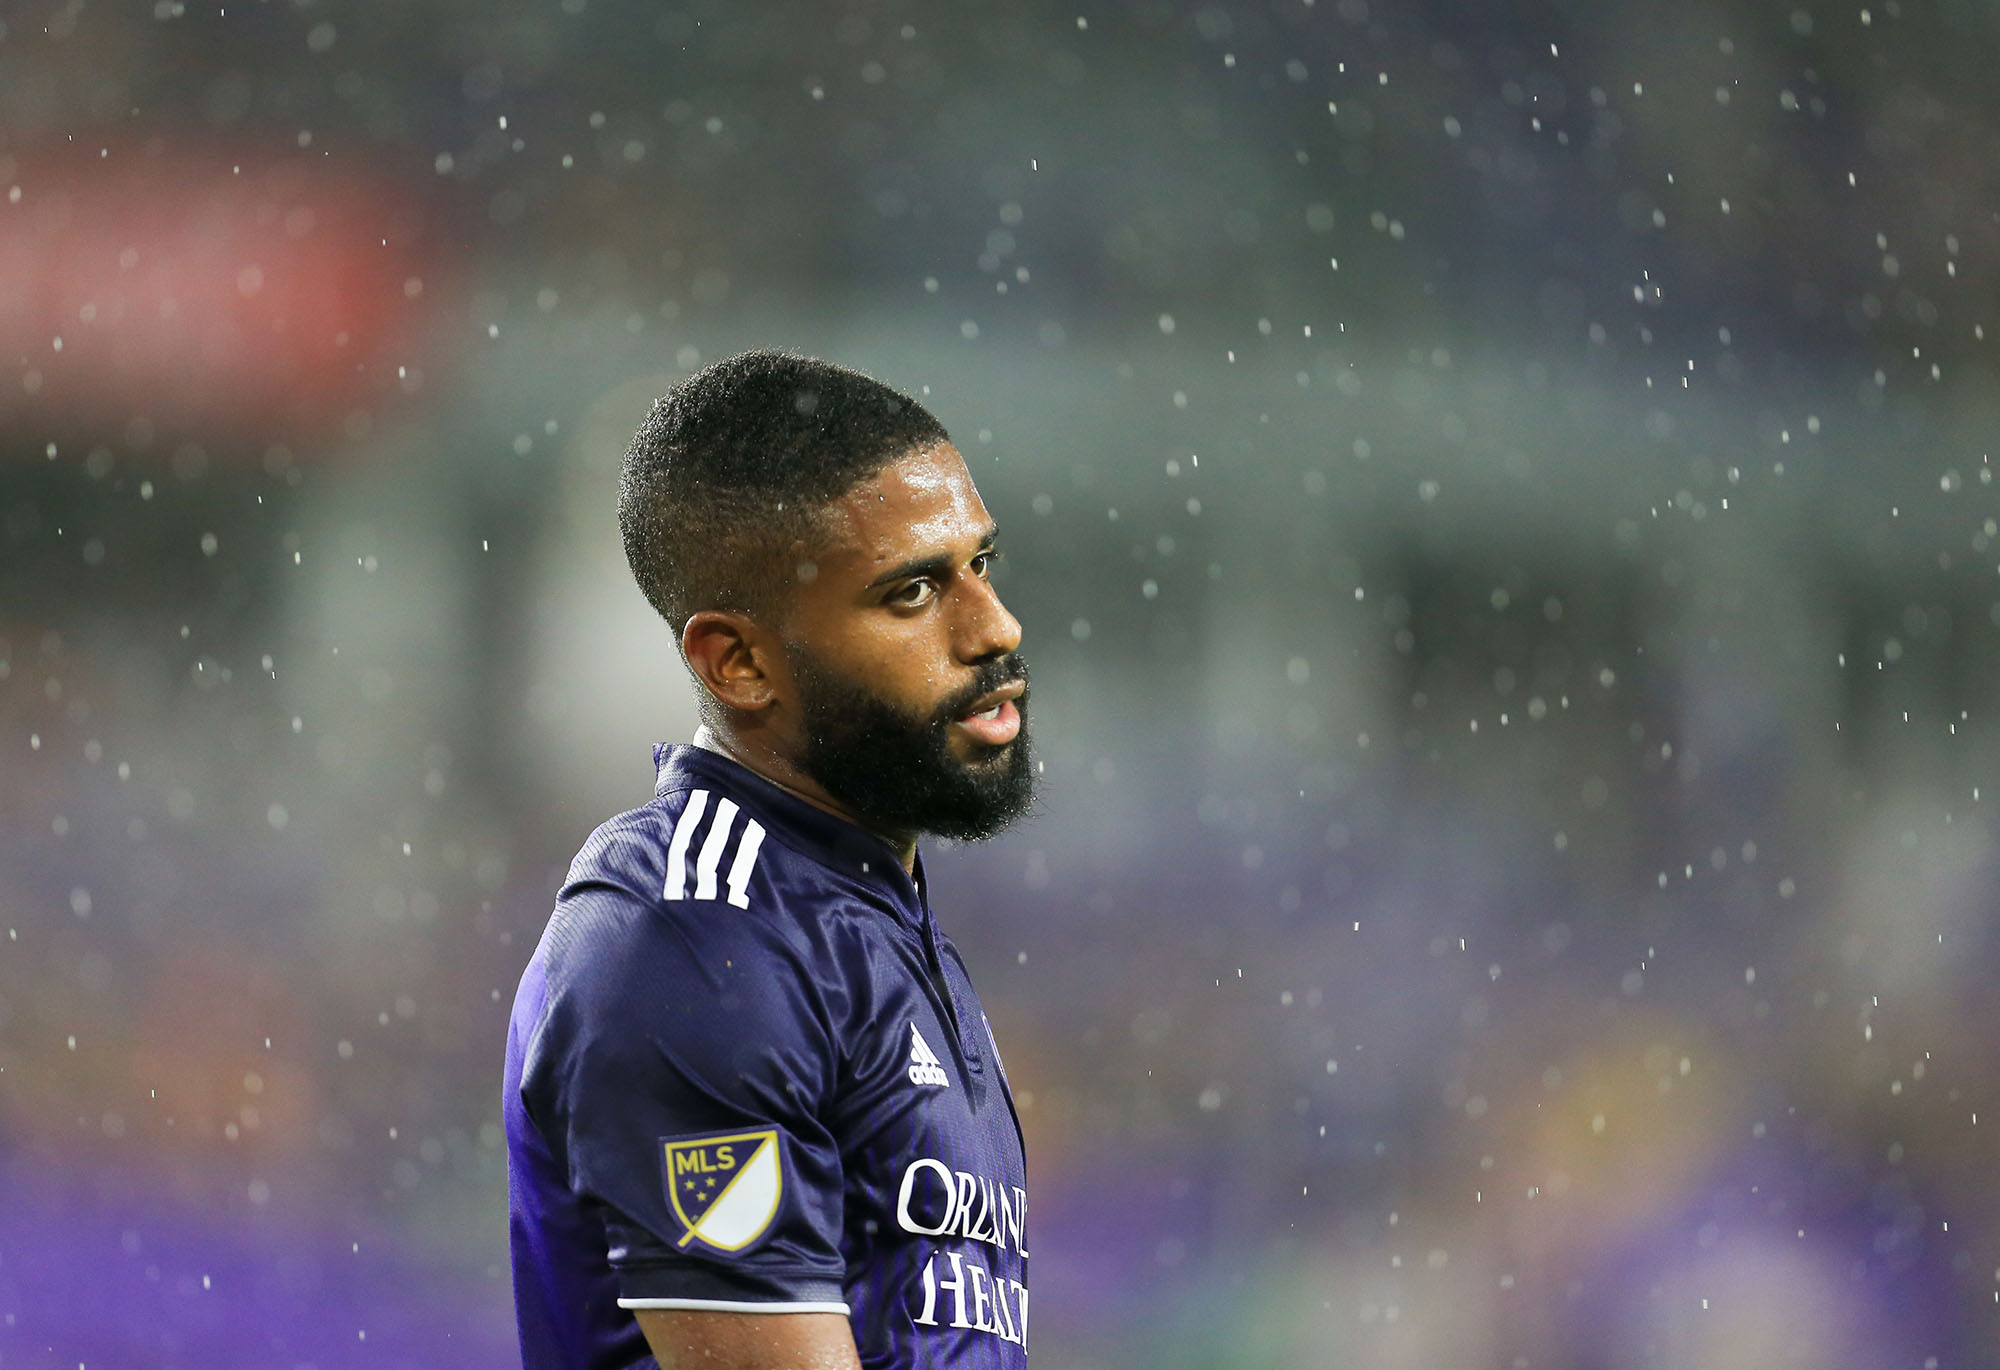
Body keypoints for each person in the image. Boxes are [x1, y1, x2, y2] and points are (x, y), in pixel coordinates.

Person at [504, 350, 1035, 1370]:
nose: (994, 626)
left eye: (982, 564)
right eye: (914, 591)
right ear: (738, 662)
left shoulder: (873, 922)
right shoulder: (698, 934)